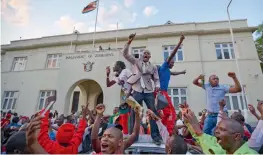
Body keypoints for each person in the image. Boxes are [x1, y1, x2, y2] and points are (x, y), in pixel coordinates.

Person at [122, 33, 162, 144]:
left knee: (153, 112)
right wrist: (129, 41)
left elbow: (156, 79)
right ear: (141, 55)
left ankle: (155, 136)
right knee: (134, 112)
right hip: (137, 91)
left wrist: (157, 86)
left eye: (148, 53)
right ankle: (132, 136)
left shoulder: (153, 66)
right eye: (144, 52)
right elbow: (125, 54)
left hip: (149, 92)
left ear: (149, 57)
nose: (145, 54)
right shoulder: (135, 62)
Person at [181, 103, 258, 154]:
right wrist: (188, 119)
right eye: (217, 128)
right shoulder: (217, 144)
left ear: (236, 136)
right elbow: (200, 135)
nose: (216, 131)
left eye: (222, 129)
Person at [155, 33, 185, 135]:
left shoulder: (167, 71)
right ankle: (166, 130)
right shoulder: (164, 67)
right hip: (160, 92)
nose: (173, 64)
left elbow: (174, 73)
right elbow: (172, 54)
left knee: (170, 112)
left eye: (173, 63)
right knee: (170, 112)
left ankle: (165, 128)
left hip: (164, 93)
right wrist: (180, 42)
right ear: (167, 61)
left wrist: (182, 72)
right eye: (171, 62)